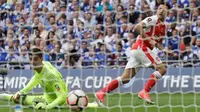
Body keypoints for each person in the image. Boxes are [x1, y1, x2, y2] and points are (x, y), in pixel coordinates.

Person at [94, 3, 172, 106]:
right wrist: (149, 40)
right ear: (157, 10)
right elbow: (137, 27)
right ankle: (144, 91)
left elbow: (159, 43)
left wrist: (165, 50)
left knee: (126, 78)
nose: (161, 11)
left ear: (168, 13)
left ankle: (101, 93)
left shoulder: (163, 27)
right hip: (143, 48)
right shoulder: (152, 19)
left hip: (138, 50)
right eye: (160, 8)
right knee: (162, 69)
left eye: (164, 9)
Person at [0, 47, 68, 109]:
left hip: (55, 103)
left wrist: (47, 107)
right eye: (30, 59)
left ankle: (9, 97)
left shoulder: (51, 75)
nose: (32, 62)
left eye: (35, 59)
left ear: (41, 59)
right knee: (20, 98)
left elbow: (63, 97)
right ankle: (10, 97)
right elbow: (36, 78)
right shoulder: (42, 66)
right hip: (46, 97)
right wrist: (22, 92)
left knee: (24, 100)